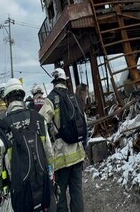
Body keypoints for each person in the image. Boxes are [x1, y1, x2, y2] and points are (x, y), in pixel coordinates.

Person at [0, 78, 54, 212]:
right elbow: (49, 154)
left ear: (7, 100)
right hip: (40, 188)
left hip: (17, 195)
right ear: (22, 96)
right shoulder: (38, 120)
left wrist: (3, 180)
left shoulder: (1, 129)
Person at [39, 68, 86, 212]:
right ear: (65, 81)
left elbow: (40, 123)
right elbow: (83, 122)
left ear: (54, 82)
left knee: (60, 193)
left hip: (61, 156)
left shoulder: (51, 99)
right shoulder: (74, 97)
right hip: (78, 153)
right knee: (77, 191)